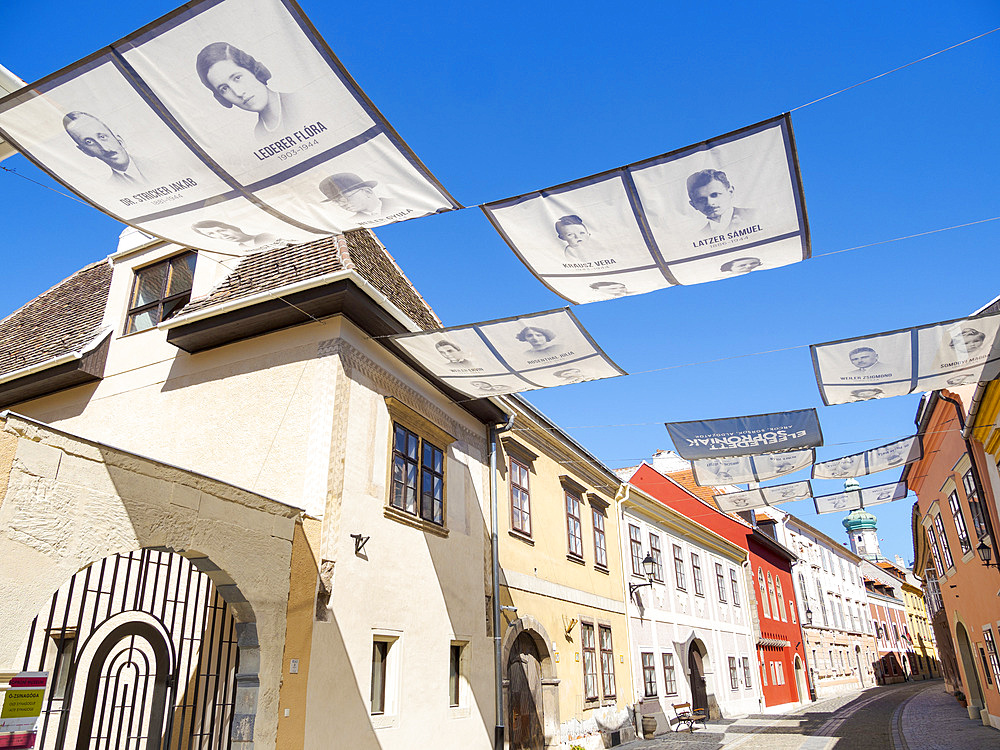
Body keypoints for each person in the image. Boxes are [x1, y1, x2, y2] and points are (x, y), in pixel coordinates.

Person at [196, 42, 308, 140]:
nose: (238, 93)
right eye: (224, 89)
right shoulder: (259, 133)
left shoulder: (302, 102)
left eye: (237, 78)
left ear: (253, 70)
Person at [63, 111, 150, 186]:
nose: (105, 148)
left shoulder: (160, 164)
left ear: (119, 139)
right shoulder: (111, 188)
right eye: (89, 142)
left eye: (102, 137)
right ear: (86, 151)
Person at [319, 173, 409, 224]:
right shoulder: (351, 223)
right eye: (337, 201)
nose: (342, 204)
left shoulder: (400, 204)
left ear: (367, 192)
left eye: (345, 198)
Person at [686, 169, 757, 233]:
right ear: (693, 205)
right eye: (701, 200)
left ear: (730, 192)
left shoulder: (756, 216)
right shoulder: (699, 237)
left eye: (715, 195)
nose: (710, 203)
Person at [191, 220, 284, 251]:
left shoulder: (267, 235)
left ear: (231, 226)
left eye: (221, 230)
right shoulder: (241, 248)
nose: (222, 235)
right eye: (211, 234)